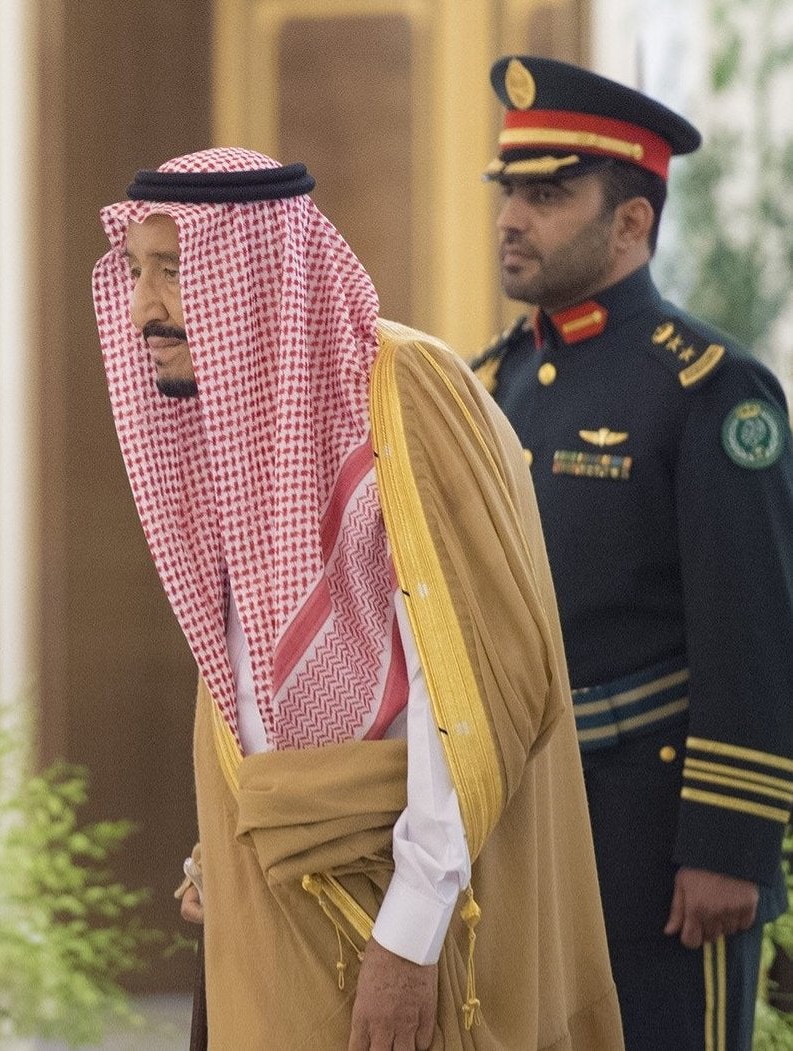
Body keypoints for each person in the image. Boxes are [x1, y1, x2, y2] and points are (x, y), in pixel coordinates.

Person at [92, 147, 622, 1049]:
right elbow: (252, 681)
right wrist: (220, 843)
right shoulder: (227, 418)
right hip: (270, 884)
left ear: (254, 275)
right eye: (135, 273)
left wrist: (409, 941)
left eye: (175, 271)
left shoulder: (407, 396)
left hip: (405, 908)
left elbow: (473, 690)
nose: (145, 309)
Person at [472, 54, 793, 1050]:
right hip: (519, 822)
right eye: (510, 191)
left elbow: (753, 629)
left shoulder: (709, 389)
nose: (512, 217)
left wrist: (726, 844)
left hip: (654, 845)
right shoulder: (501, 380)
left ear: (630, 222)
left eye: (548, 193)